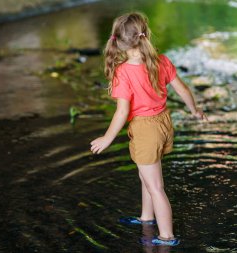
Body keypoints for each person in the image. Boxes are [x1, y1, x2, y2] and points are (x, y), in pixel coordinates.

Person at [90, 12, 208, 246]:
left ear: (119, 41)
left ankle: (166, 237)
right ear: (144, 35)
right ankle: (146, 217)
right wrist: (195, 111)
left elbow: (122, 112)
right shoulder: (161, 60)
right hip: (163, 122)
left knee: (156, 187)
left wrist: (107, 138)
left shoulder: (123, 72)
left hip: (145, 130)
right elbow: (183, 90)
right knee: (147, 176)